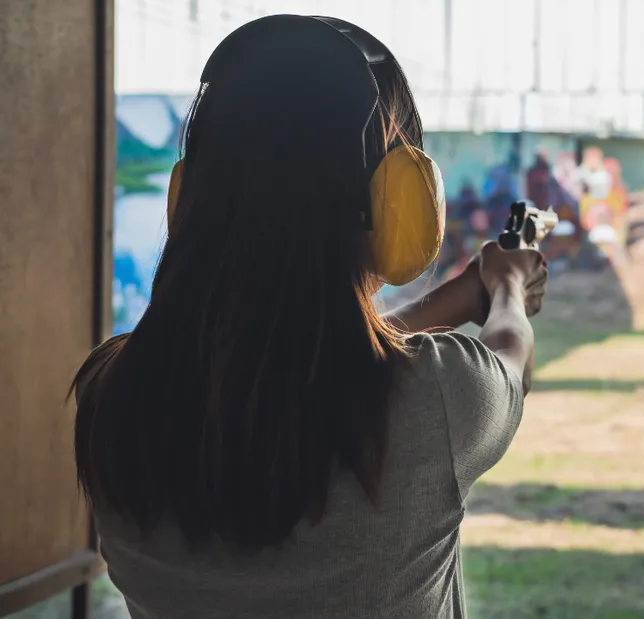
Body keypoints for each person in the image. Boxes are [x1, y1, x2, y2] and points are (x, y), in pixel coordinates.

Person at [70, 15, 547, 619]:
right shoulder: (440, 398)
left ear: (188, 195)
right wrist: (504, 283)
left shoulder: (109, 391)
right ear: (390, 198)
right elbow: (510, 357)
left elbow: (283, 364)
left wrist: (455, 298)